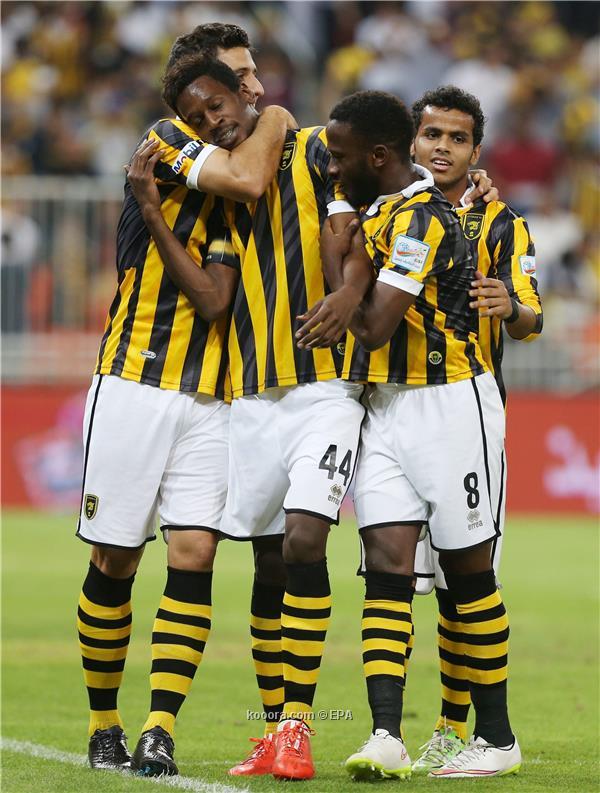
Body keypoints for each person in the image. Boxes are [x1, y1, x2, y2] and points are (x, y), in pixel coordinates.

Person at [133, 52, 371, 782]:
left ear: (247, 92)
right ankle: (274, 731)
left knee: (304, 539)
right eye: (197, 117)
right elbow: (216, 295)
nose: (213, 121)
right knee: (269, 563)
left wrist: (350, 290)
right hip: (251, 394)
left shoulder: (316, 149)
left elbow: (373, 220)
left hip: (327, 385)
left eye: (219, 106)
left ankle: (298, 726)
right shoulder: (224, 193)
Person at [76, 33, 293, 776]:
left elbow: (216, 297)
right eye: (242, 75)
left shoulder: (232, 177)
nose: (253, 89)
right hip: (135, 377)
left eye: (253, 79)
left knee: (194, 555)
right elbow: (247, 178)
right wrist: (279, 118)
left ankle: (158, 728)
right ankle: (103, 724)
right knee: (115, 556)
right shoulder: (168, 138)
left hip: (211, 393)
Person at [298, 89, 520, 780]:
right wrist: (345, 256)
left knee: (469, 573)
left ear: (377, 156)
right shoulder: (381, 208)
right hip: (385, 405)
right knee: (386, 567)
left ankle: (497, 736)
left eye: (341, 158)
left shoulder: (423, 217)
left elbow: (371, 326)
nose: (333, 169)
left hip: (451, 404)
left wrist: (343, 272)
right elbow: (352, 285)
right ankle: (386, 734)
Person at [406, 85, 542, 775]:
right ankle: (441, 729)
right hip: (399, 411)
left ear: (476, 151)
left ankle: (465, 729)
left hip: (470, 408)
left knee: (469, 577)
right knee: (418, 582)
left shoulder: (504, 224)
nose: (443, 147)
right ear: (412, 140)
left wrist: (509, 304)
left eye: (457, 138)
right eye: (433, 134)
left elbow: (532, 318)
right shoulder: (390, 210)